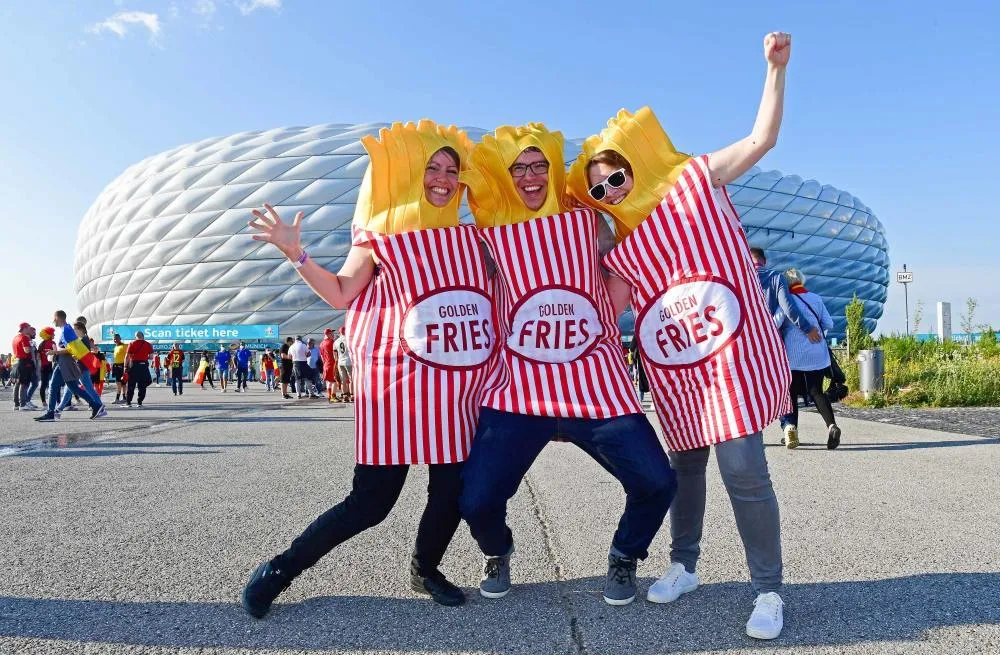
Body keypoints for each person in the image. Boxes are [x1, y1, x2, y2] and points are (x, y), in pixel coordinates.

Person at [567, 32, 793, 640]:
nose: (610, 191)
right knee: (685, 468)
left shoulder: (698, 179)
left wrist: (774, 71)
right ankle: (684, 563)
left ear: (634, 162)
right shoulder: (622, 245)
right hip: (678, 367)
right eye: (598, 189)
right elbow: (601, 312)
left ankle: (768, 590)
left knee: (745, 471)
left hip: (732, 356)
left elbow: (761, 139)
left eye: (615, 177)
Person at [242, 120, 496, 616]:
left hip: (456, 388)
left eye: (451, 169)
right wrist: (297, 253)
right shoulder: (382, 233)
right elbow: (340, 292)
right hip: (398, 388)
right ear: (410, 175)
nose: (442, 178)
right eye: (432, 168)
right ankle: (280, 569)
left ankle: (425, 569)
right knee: (370, 504)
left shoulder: (474, 239)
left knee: (450, 492)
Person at [458, 122, 676, 607]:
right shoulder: (491, 228)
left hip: (594, 384)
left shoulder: (587, 216)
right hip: (521, 389)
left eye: (539, 165)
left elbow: (636, 230)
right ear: (506, 175)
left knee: (657, 481)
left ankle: (625, 554)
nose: (530, 176)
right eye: (519, 168)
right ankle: (498, 550)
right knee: (475, 500)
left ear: (553, 169)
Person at [779, 268, 841, 449]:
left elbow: (777, 322)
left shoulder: (785, 300)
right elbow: (828, 323)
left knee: (790, 392)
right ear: (801, 280)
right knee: (816, 392)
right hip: (816, 352)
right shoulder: (816, 298)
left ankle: (791, 430)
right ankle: (832, 426)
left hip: (793, 354)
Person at [34, 310, 107, 421]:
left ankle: (51, 413)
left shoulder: (67, 330)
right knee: (64, 387)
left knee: (64, 387)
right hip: (62, 362)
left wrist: (56, 352)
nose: (53, 320)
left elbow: (71, 349)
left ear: (58, 318)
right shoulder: (66, 329)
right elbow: (70, 348)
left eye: (54, 318)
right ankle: (95, 406)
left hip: (65, 363)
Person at [124, 331, 154, 407]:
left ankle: (128, 402)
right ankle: (139, 402)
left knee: (131, 384)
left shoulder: (131, 343)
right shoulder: (148, 344)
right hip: (143, 366)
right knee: (143, 385)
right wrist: (143, 357)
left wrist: (125, 367)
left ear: (135, 336)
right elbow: (151, 357)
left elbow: (127, 356)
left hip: (133, 366)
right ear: (143, 336)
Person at [11, 322, 36, 411]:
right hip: (24, 362)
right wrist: (31, 346)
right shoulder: (24, 337)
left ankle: (16, 404)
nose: (30, 329)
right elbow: (26, 350)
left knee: (17, 383)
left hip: (16, 362)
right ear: (25, 328)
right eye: (29, 327)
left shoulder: (15, 337)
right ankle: (23, 404)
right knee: (24, 383)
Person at [37, 327, 55, 406]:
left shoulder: (41, 344)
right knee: (55, 384)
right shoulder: (52, 343)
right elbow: (56, 353)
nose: (54, 334)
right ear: (49, 335)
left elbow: (38, 357)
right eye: (53, 333)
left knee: (43, 385)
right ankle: (57, 401)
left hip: (43, 367)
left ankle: (43, 402)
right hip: (51, 366)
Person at [333, 327, 352, 402]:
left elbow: (335, 355)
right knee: (351, 380)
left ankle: (344, 395)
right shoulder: (349, 340)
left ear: (340, 332)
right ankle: (352, 395)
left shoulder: (336, 341)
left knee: (343, 380)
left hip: (340, 362)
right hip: (349, 361)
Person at [319, 328, 337, 402]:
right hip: (332, 363)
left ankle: (329, 396)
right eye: (331, 333)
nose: (333, 334)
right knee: (334, 381)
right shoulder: (332, 342)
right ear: (328, 334)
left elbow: (321, 355)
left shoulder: (321, 343)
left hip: (326, 364)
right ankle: (333, 397)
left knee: (328, 382)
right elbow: (336, 353)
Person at [112, 333, 128, 404]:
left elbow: (129, 355)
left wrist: (127, 366)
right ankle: (123, 398)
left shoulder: (124, 346)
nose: (115, 340)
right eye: (114, 339)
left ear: (120, 338)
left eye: (117, 338)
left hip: (122, 366)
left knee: (122, 383)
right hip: (116, 367)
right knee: (119, 383)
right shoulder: (115, 347)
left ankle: (119, 398)